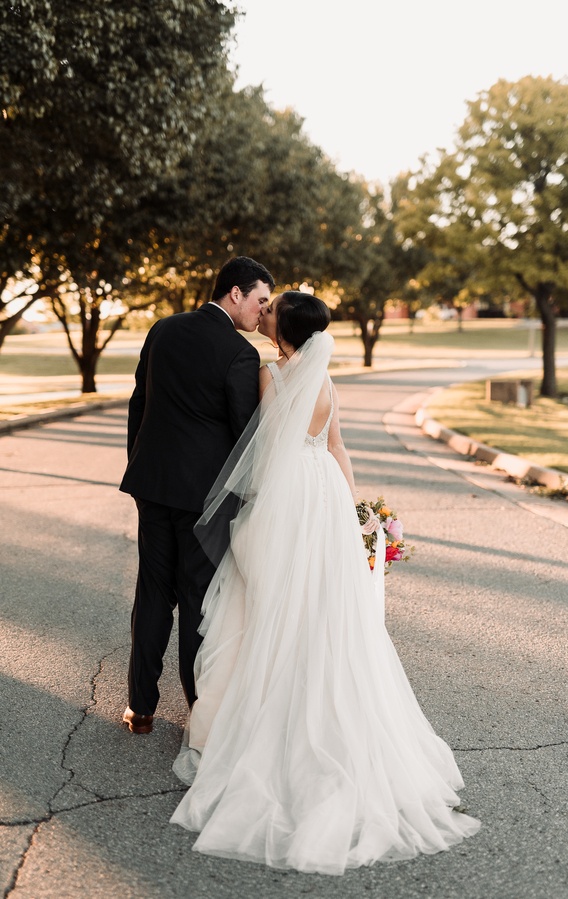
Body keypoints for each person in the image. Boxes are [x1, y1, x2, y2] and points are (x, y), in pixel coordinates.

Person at [170, 291, 480, 874]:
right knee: (325, 610)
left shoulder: (270, 374)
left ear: (282, 327)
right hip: (326, 497)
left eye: (272, 309)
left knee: (266, 605)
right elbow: (336, 446)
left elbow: (264, 452)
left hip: (287, 497)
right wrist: (359, 507)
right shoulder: (327, 379)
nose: (264, 313)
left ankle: (261, 721)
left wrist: (255, 507)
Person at [119, 256, 275, 734]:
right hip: (203, 498)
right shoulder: (240, 353)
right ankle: (197, 710)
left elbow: (139, 402)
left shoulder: (162, 330)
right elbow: (243, 435)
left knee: (151, 591)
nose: (262, 313)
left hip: (152, 484)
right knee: (195, 599)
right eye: (260, 301)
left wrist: (140, 464)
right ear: (235, 294)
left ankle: (140, 709)